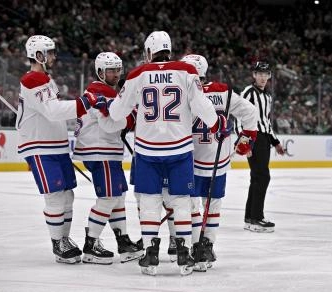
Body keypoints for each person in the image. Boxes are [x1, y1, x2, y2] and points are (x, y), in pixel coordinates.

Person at [102, 31, 229, 276]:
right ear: (169, 49)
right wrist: (217, 124)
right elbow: (202, 105)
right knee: (181, 199)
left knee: (149, 200)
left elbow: (117, 113)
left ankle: (151, 253)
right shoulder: (186, 71)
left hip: (148, 150)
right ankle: (182, 250)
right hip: (180, 148)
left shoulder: (137, 74)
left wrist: (105, 106)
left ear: (149, 52)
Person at [16, 35, 106, 264]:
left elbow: (54, 111)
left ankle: (64, 239)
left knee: (67, 194)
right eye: (50, 52)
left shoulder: (45, 79)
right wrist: (85, 102)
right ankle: (58, 243)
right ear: (38, 55)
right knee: (55, 195)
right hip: (39, 146)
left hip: (54, 146)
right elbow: (53, 111)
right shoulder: (33, 79)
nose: (54, 56)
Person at [164, 54, 257, 271]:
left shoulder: (181, 91)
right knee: (213, 205)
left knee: (191, 205)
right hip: (219, 159)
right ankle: (207, 246)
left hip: (191, 159)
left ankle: (195, 245)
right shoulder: (223, 91)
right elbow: (250, 112)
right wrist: (247, 137)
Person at [72, 52, 141, 264]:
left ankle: (123, 240)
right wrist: (133, 115)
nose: (116, 74)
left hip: (106, 150)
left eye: (118, 70)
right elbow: (112, 121)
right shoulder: (99, 90)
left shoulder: (104, 90)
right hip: (100, 151)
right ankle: (91, 244)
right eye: (111, 70)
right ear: (100, 71)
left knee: (117, 197)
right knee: (109, 198)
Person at [239, 61, 285, 233]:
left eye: (266, 74)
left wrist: (275, 141)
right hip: (254, 138)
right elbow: (238, 117)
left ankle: (250, 218)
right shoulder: (248, 93)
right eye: (260, 73)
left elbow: (266, 122)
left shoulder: (267, 96)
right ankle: (257, 218)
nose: (263, 77)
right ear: (254, 75)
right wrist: (245, 142)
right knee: (262, 177)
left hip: (264, 139)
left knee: (257, 178)